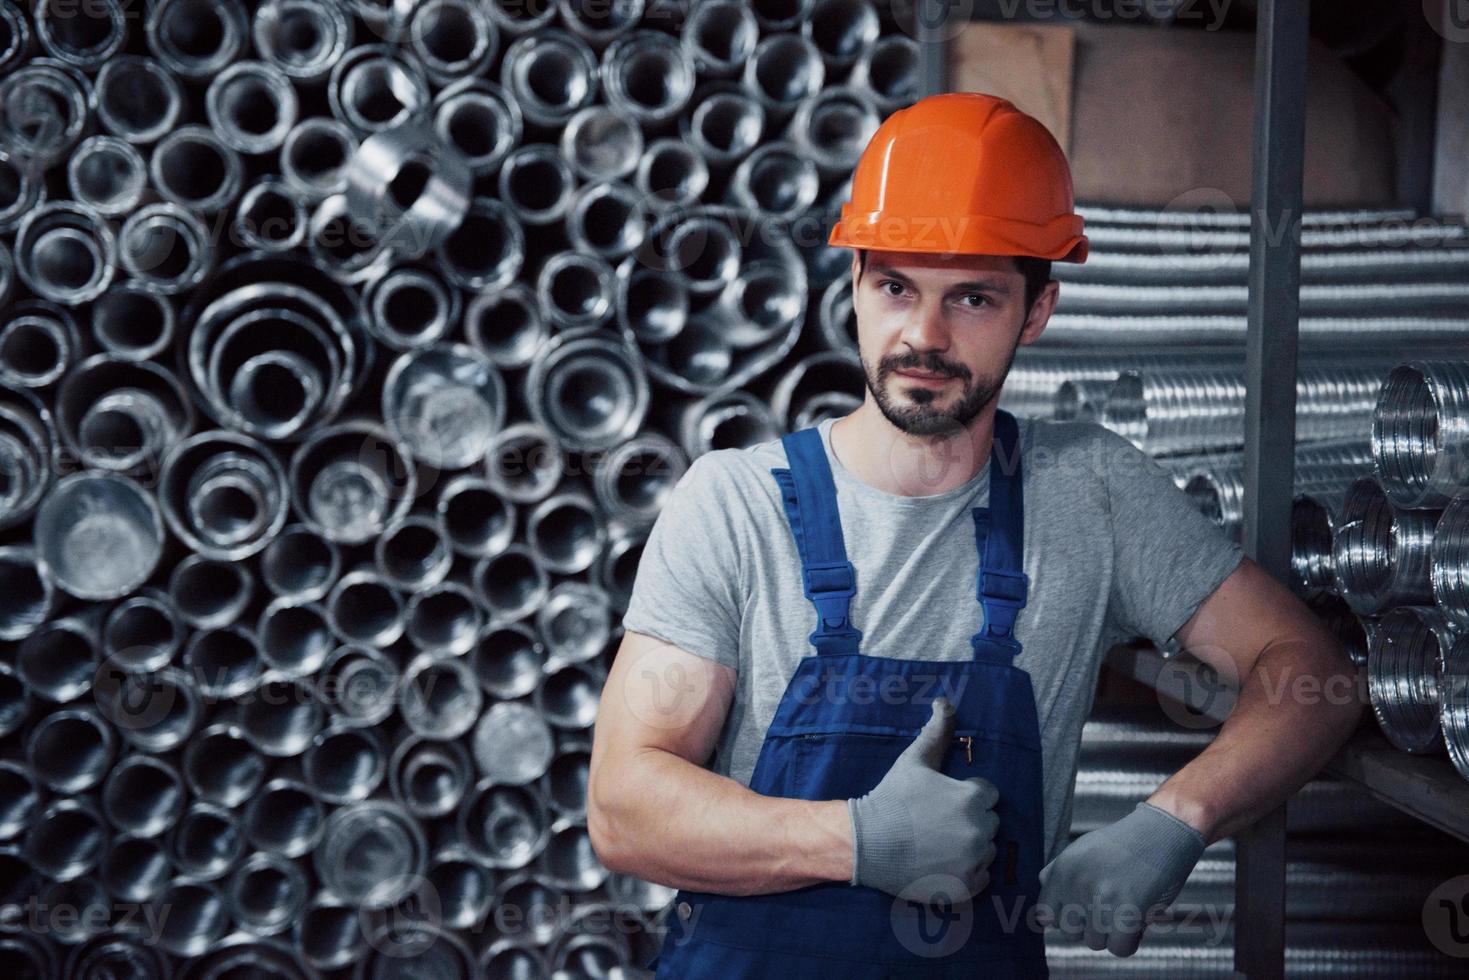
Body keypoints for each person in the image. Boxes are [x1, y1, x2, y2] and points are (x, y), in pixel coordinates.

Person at [587, 92, 1362, 977]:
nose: (923, 334)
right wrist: (852, 840)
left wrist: (1176, 819)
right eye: (894, 287)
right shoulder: (733, 504)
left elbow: (1314, 676)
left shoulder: (1091, 493)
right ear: (853, 285)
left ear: (1036, 312)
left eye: (973, 299)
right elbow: (623, 808)